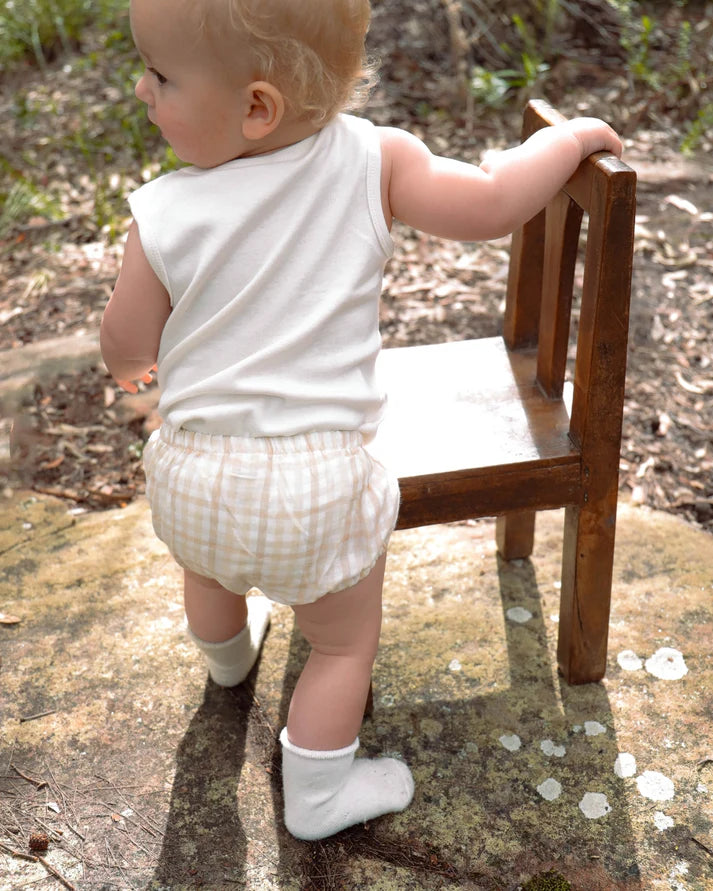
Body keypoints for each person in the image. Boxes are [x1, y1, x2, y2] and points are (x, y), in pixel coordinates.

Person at [100, 0, 623, 842]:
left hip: (191, 468)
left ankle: (228, 663)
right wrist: (561, 145)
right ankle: (317, 791)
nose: (141, 89)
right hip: (316, 485)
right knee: (341, 646)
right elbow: (490, 204)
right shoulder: (375, 160)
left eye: (160, 77)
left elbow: (125, 342)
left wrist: (134, 370)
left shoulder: (160, 211)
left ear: (256, 106)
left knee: (210, 567)